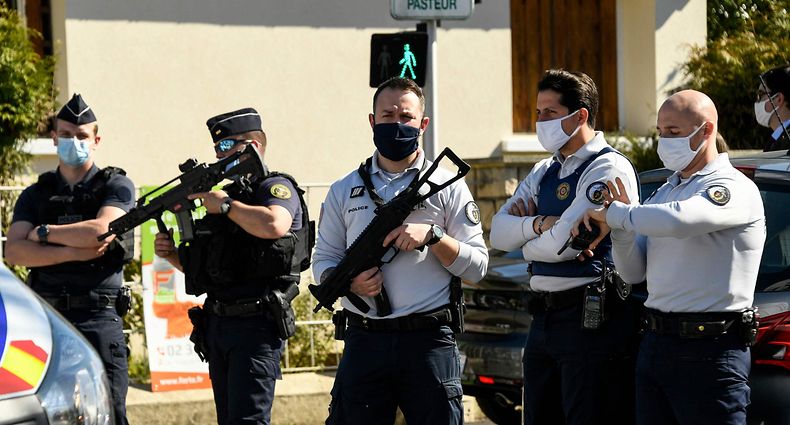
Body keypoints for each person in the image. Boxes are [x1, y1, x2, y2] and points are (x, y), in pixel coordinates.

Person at [578, 89, 766, 425]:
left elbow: (681, 221)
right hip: (656, 345)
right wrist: (620, 231)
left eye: (674, 131)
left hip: (710, 350)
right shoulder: (664, 193)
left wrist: (620, 215)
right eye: (661, 131)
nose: (664, 140)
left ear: (706, 131)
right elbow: (633, 273)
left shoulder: (732, 186)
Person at [312, 77, 488, 425]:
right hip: (365, 340)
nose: (396, 124)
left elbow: (477, 267)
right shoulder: (344, 189)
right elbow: (324, 259)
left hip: (429, 342)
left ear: (423, 124)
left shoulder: (447, 186)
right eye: (387, 115)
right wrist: (349, 283)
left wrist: (434, 236)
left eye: (406, 116)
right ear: (372, 121)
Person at [489, 69, 640, 425]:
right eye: (538, 113)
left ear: (580, 115)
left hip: (588, 319)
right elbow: (497, 234)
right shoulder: (544, 170)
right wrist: (540, 224)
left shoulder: (607, 166)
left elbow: (565, 246)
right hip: (543, 318)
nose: (541, 121)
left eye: (550, 113)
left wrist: (526, 243)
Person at [153, 108, 310, 425]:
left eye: (226, 146)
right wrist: (171, 255)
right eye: (216, 147)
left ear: (254, 145)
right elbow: (212, 268)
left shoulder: (273, 187)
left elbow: (275, 224)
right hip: (219, 324)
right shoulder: (228, 198)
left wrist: (225, 205)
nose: (219, 154)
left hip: (256, 325)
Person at [5, 93, 135, 425]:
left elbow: (101, 231)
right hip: (46, 320)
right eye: (65, 134)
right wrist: (71, 250)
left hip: (98, 317)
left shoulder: (115, 185)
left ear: (96, 140)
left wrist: (42, 234)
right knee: (47, 412)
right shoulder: (36, 193)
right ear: (54, 138)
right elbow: (14, 251)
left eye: (81, 135)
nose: (73, 141)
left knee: (109, 413)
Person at [756, 64, 790, 152]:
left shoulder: (786, 142)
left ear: (779, 99)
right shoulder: (778, 138)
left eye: (760, 94)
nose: (757, 101)